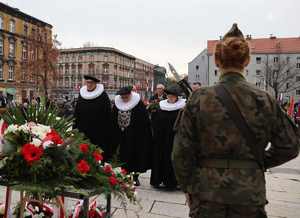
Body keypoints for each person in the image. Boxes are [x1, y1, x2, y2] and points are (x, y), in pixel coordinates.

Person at [172, 23, 299, 218]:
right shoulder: (264, 99)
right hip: (249, 194)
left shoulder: (199, 99)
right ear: (247, 61)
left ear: (216, 60)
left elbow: (180, 153)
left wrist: (190, 187)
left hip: (207, 193)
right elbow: (290, 145)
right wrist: (258, 161)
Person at [112, 86, 152, 186]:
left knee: (135, 156)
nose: (124, 98)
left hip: (135, 136)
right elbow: (112, 118)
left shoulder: (138, 104)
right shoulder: (117, 104)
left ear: (130, 95)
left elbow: (144, 121)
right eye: (122, 97)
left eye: (126, 96)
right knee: (122, 156)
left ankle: (135, 177)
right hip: (121, 136)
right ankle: (123, 175)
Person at [150, 84, 186, 190]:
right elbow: (155, 121)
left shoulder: (182, 107)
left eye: (173, 96)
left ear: (177, 97)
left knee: (174, 159)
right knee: (161, 157)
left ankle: (174, 182)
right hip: (162, 139)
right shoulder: (160, 106)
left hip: (176, 138)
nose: (171, 97)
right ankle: (159, 180)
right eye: (169, 95)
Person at [74, 75, 115, 160]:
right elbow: (77, 111)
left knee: (97, 154)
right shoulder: (82, 94)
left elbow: (108, 114)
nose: (89, 84)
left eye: (91, 83)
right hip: (83, 129)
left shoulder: (103, 95)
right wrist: (75, 126)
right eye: (87, 82)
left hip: (99, 131)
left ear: (95, 83)